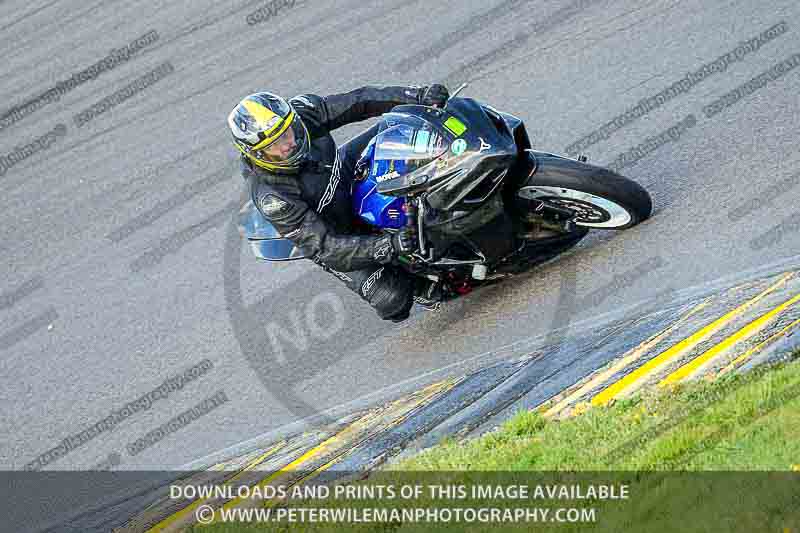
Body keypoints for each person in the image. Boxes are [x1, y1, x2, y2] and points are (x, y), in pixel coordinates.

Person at [228, 84, 450, 322]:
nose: (287, 145)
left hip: (339, 171)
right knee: (392, 300)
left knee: (402, 127)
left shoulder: (303, 113)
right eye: (273, 146)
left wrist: (416, 96)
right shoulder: (273, 196)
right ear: (257, 154)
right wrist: (388, 245)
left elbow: (358, 101)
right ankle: (418, 284)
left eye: (286, 133)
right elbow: (325, 247)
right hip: (333, 231)